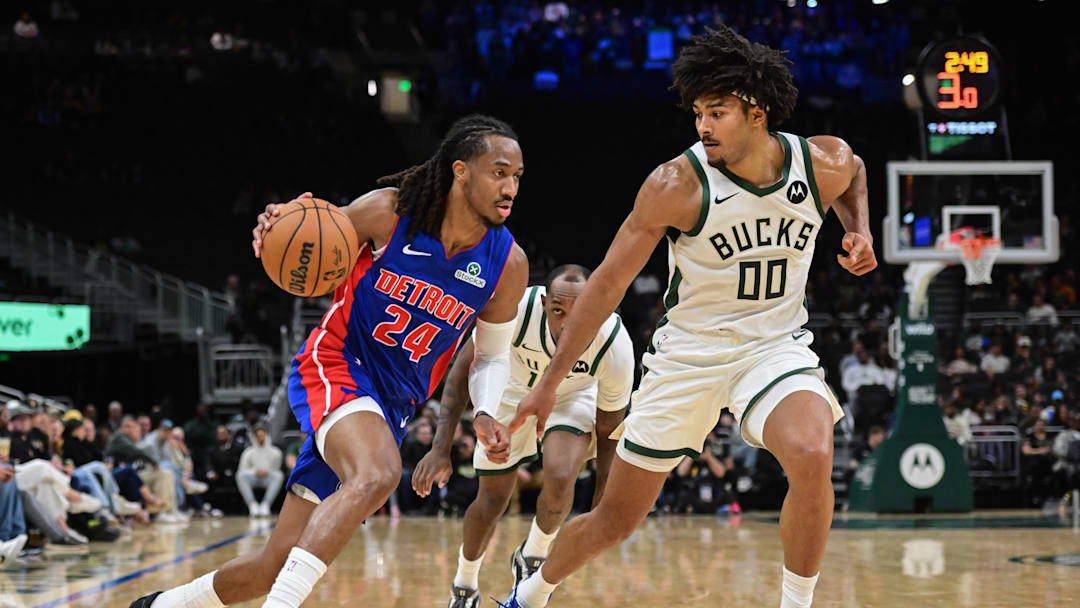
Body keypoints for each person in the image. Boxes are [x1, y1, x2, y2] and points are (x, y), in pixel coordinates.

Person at [504, 26, 874, 608]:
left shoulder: (818, 161)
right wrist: (550, 384)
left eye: (717, 112)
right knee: (615, 521)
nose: (702, 126)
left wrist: (860, 229)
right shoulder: (677, 184)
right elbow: (604, 287)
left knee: (811, 452)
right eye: (698, 113)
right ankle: (531, 593)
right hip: (689, 356)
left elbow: (854, 173)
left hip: (773, 346)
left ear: (757, 112)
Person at [130, 114, 529, 608]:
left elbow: (490, 356)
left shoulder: (507, 264)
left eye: (517, 176)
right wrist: (274, 226)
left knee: (271, 566)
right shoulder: (389, 213)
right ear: (461, 171)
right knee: (379, 475)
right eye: (499, 172)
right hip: (336, 362)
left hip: (392, 404)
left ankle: (156, 606)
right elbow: (314, 230)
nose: (510, 186)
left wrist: (486, 410)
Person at [412, 264, 633, 607]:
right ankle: (465, 581)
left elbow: (608, 431)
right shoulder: (517, 310)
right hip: (509, 394)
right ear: (544, 302)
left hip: (570, 396)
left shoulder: (614, 344)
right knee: (491, 501)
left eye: (578, 312)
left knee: (561, 476)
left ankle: (533, 554)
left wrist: (602, 503)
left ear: (597, 305)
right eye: (557, 310)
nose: (566, 323)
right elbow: (461, 371)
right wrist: (440, 448)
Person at [236, 422, 284, 517]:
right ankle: (252, 505)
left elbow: (276, 468)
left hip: (268, 478)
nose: (260, 438)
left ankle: (265, 505)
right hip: (253, 478)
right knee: (240, 476)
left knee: (279, 476)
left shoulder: (276, 452)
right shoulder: (248, 452)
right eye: (258, 436)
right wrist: (255, 471)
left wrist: (267, 472)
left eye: (262, 435)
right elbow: (242, 469)